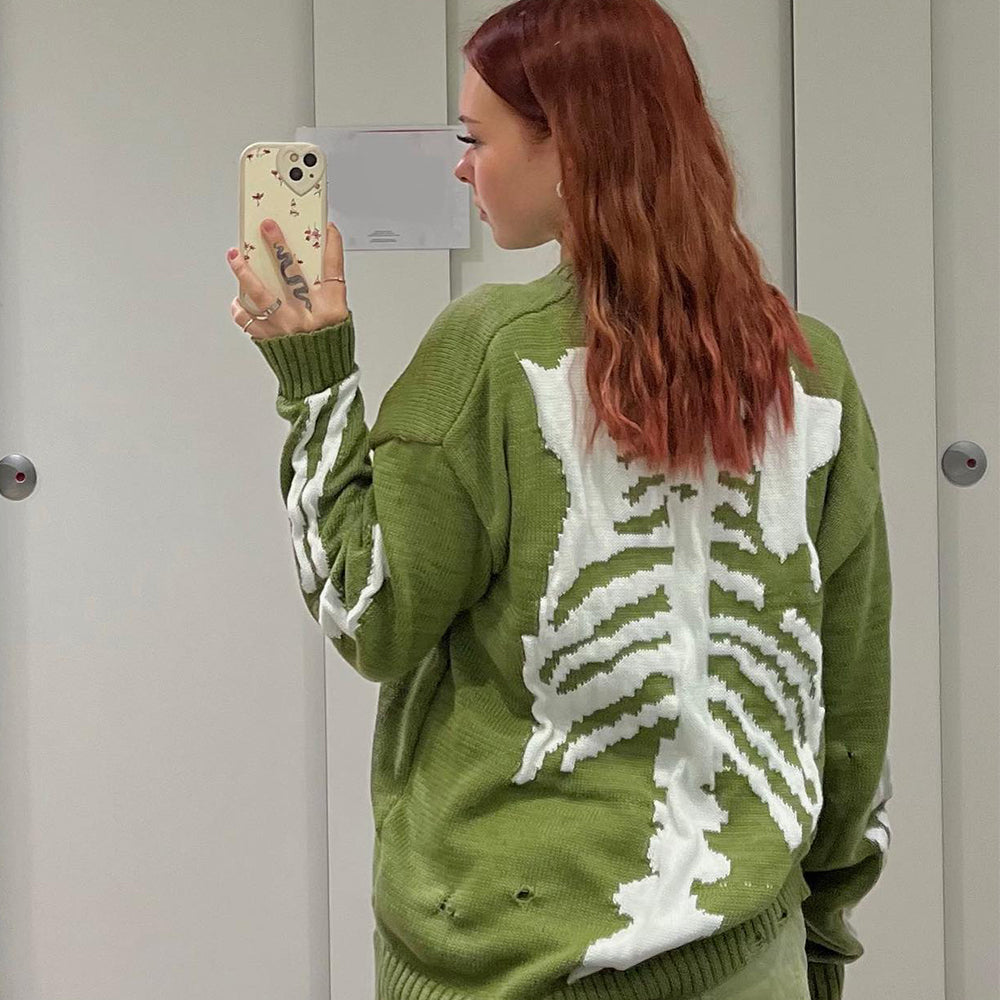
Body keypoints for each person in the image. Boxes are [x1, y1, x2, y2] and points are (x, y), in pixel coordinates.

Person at [226, 2, 892, 999]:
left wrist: (313, 379)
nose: (463, 169)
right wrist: (822, 940)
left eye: (476, 139)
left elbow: (369, 612)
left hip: (499, 967)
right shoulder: (810, 367)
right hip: (748, 954)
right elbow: (850, 693)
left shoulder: (493, 352)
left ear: (569, 146)